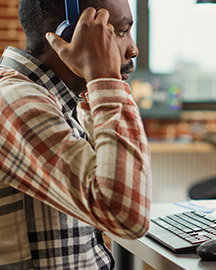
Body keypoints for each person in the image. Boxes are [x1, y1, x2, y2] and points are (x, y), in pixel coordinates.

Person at [0, 0, 151, 269]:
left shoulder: (58, 103)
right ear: (69, 33)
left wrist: (94, 90)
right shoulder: (17, 102)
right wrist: (105, 78)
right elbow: (128, 216)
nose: (133, 48)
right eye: (119, 31)